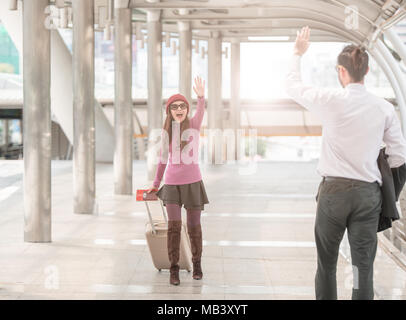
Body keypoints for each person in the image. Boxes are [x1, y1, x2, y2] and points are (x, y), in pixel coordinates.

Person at [285, 26, 406, 299]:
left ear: (341, 71)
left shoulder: (330, 100)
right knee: (363, 267)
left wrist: (297, 52)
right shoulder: (384, 108)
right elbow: (399, 156)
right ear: (365, 71)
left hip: (333, 194)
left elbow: (292, 86)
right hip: (368, 195)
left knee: (326, 264)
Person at [147, 76, 209, 286]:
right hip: (172, 185)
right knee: (174, 227)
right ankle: (174, 268)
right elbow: (162, 161)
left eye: (183, 106)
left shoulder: (193, 124)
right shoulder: (166, 133)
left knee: (193, 225)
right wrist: (156, 184)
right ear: (170, 111)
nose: (180, 109)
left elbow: (201, 111)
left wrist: (200, 97)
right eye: (175, 107)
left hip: (193, 183)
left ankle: (197, 264)